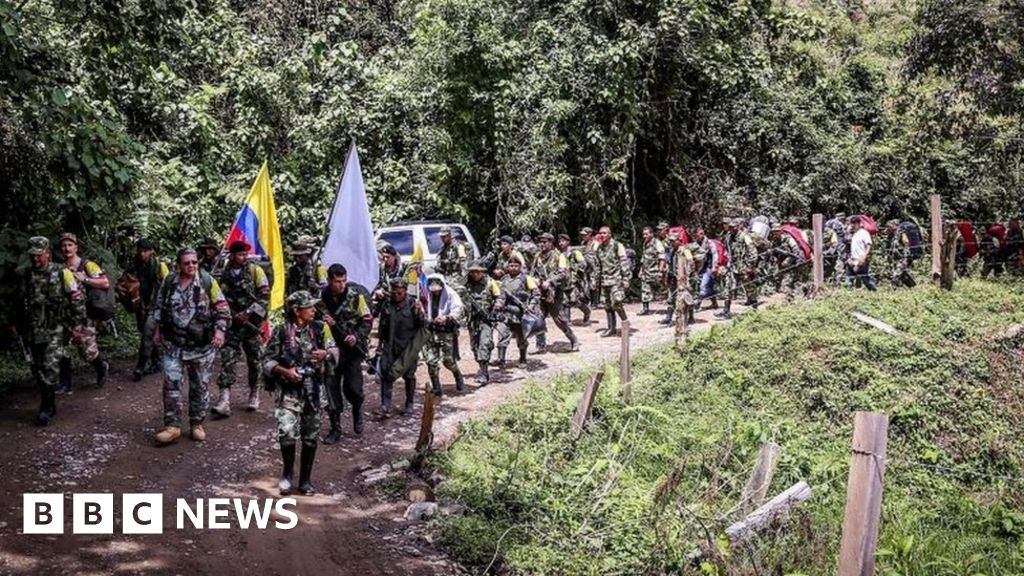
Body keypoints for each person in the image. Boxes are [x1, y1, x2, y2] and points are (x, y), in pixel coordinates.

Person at [151, 248, 230, 445]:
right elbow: (159, 306)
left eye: (194, 262)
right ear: (179, 264)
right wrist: (157, 330)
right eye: (186, 263)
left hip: (200, 347)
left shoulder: (206, 281)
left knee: (200, 387)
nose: (191, 266)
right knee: (170, 386)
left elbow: (222, 308)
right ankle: (172, 426)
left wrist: (220, 331)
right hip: (173, 345)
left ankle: (197, 423)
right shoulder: (169, 282)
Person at [264, 290, 337, 496]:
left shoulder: (321, 329)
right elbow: (266, 361)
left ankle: (305, 479)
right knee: (286, 433)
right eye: (309, 307)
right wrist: (284, 371)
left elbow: (335, 351)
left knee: (310, 436)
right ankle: (287, 474)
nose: (314, 310)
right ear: (297, 311)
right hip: (288, 392)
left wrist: (326, 354)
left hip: (313, 391)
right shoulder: (281, 331)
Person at [18, 237, 86, 426]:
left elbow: (76, 298)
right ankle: (49, 401)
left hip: (56, 327)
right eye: (32, 256)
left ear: (47, 253)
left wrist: (77, 326)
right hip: (34, 329)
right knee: (37, 368)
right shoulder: (26, 275)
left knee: (50, 366)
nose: (35, 260)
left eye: (39, 255)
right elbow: (21, 301)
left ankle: (46, 407)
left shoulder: (62, 272)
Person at [212, 241, 270, 417]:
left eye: (246, 254)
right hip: (233, 326)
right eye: (240, 254)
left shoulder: (255, 271)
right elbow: (220, 297)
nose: (244, 257)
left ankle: (254, 393)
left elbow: (264, 296)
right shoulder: (226, 273)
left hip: (252, 325)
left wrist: (248, 312)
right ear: (232, 255)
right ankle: (224, 399)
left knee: (255, 361)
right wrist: (229, 315)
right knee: (228, 359)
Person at [319, 264, 372, 442]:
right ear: (329, 281)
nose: (341, 285)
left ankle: (357, 410)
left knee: (353, 389)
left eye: (343, 281)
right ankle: (335, 428)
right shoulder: (320, 297)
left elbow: (366, 320)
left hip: (351, 351)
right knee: (331, 390)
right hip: (330, 351)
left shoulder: (355, 296)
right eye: (337, 281)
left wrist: (356, 336)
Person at [57, 232, 109, 391]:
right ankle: (65, 383)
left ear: (76, 247)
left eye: (70, 245)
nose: (67, 248)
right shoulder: (60, 267)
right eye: (64, 245)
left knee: (87, 351)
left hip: (85, 314)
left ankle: (102, 367)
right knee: (61, 348)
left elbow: (105, 282)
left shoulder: (87, 264)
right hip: (66, 314)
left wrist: (84, 278)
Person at [375, 277, 425, 416]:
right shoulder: (387, 304)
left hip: (407, 348)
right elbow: (382, 326)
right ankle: (385, 405)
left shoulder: (413, 304)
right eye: (394, 293)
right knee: (386, 374)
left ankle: (409, 403)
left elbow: (422, 326)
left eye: (400, 293)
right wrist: (379, 345)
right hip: (390, 346)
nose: (397, 296)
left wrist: (420, 312)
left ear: (405, 292)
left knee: (409, 376)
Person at [531, 232, 579, 352]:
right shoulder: (538, 257)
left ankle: (573, 339)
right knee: (538, 318)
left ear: (551, 243)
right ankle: (540, 345)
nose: (542, 244)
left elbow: (562, 273)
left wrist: (550, 281)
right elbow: (532, 273)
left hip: (554, 293)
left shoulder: (559, 256)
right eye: (540, 242)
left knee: (559, 320)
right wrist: (534, 281)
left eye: (544, 242)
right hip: (540, 292)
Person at [130, 238, 170, 381]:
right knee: (145, 332)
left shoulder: (159, 266)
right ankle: (157, 361)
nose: (142, 254)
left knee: (147, 334)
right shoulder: (135, 265)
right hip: (140, 304)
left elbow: (167, 286)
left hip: (155, 305)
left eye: (145, 251)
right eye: (140, 251)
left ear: (151, 252)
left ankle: (140, 367)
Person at [423, 274, 465, 396]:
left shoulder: (450, 294)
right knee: (431, 361)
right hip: (431, 330)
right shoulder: (426, 295)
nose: (434, 290)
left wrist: (447, 317)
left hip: (446, 331)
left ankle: (458, 375)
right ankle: (436, 387)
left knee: (448, 361)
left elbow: (458, 309)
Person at [494, 258, 541, 369]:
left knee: (521, 338)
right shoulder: (504, 279)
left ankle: (523, 359)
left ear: (520, 267)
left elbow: (536, 293)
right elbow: (501, 296)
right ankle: (501, 360)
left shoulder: (525, 279)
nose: (513, 268)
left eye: (516, 265)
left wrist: (530, 305)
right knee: (502, 334)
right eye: (511, 265)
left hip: (521, 314)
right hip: (507, 312)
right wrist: (498, 306)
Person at [464, 260, 500, 385]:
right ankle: (481, 366)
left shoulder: (490, 283)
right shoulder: (466, 284)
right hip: (472, 319)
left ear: (482, 272)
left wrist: (495, 311)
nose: (475, 274)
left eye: (477, 272)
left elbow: (499, 297)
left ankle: (484, 372)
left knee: (485, 343)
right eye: (472, 272)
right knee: (475, 346)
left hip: (486, 319)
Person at [593, 226, 631, 337]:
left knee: (617, 303)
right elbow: (597, 266)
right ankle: (611, 328)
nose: (602, 235)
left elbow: (624, 263)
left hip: (616, 280)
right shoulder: (599, 248)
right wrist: (595, 280)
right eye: (600, 233)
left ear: (610, 234)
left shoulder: (617, 246)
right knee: (607, 305)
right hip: (605, 281)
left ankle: (625, 324)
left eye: (604, 233)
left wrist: (626, 279)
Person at [558, 233, 591, 324]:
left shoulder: (575, 253)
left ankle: (587, 312)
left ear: (568, 242)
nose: (561, 243)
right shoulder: (560, 254)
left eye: (563, 241)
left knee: (574, 300)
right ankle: (567, 321)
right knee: (565, 301)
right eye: (560, 241)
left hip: (575, 281)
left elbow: (583, 264)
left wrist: (573, 267)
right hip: (565, 281)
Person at [673, 242, 698, 346]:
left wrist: (688, 277)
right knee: (681, 306)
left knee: (684, 304)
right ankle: (681, 329)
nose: (671, 243)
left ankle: (684, 329)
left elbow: (691, 263)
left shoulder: (685, 250)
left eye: (673, 241)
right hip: (679, 281)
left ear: (678, 241)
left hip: (686, 282)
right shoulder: (675, 252)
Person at [638, 226, 666, 316]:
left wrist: (660, 271)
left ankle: (671, 307)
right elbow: (644, 257)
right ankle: (645, 308)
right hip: (646, 271)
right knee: (644, 289)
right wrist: (641, 270)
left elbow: (662, 258)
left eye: (646, 234)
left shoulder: (657, 243)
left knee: (664, 289)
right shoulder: (645, 243)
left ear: (651, 234)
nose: (644, 236)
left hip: (655, 271)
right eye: (643, 234)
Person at [372, 243, 407, 315]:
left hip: (398, 298)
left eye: (388, 257)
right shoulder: (381, 268)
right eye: (384, 257)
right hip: (384, 298)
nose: (385, 259)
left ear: (394, 257)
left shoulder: (402, 268)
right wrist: (377, 291)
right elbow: (376, 283)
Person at [846, 216, 877, 290]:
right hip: (853, 259)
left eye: (855, 223)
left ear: (859, 223)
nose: (853, 225)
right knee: (849, 278)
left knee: (865, 278)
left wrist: (864, 257)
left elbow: (869, 245)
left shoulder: (864, 233)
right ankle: (849, 293)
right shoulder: (854, 233)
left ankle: (874, 290)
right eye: (852, 223)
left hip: (861, 259)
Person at [886, 220, 916, 288]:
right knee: (903, 276)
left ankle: (893, 291)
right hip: (897, 259)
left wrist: (905, 259)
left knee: (895, 275)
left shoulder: (901, 234)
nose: (887, 228)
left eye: (889, 226)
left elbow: (906, 244)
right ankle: (913, 287)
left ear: (894, 226)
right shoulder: (891, 236)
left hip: (903, 258)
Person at [436, 226, 467, 291]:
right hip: (446, 276)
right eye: (441, 237)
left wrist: (452, 262)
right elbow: (439, 263)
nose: (442, 238)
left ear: (449, 235)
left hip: (456, 275)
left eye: (444, 236)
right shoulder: (442, 248)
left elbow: (463, 262)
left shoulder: (458, 246)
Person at [579, 227, 600, 309]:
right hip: (586, 266)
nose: (583, 236)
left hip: (594, 266)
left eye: (584, 235)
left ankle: (595, 303)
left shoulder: (595, 244)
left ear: (589, 234)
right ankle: (589, 300)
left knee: (593, 284)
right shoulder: (583, 243)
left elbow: (595, 255)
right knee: (586, 283)